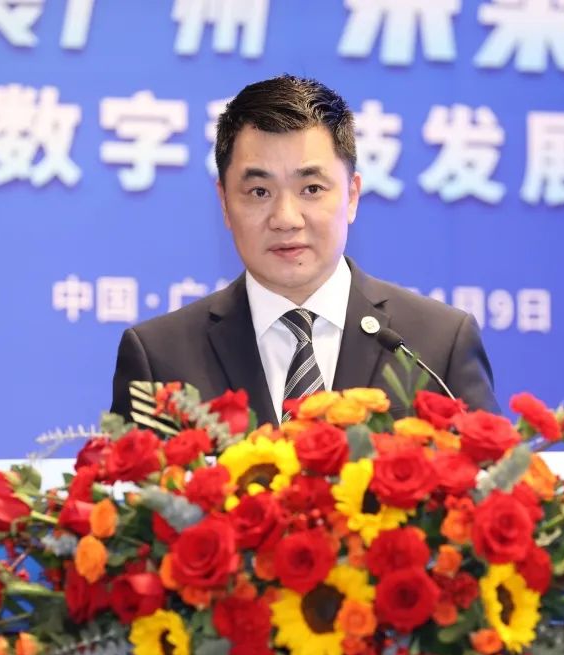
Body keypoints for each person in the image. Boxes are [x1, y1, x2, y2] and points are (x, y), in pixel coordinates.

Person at [111, 75, 499, 425]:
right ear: (225, 203)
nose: (286, 218)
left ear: (352, 196)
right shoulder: (160, 358)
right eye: (259, 192)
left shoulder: (436, 344)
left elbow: (490, 478)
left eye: (311, 189)